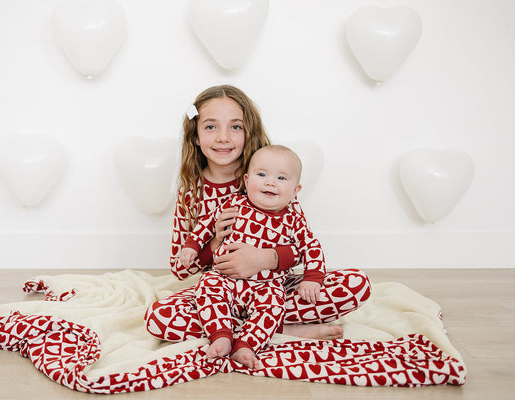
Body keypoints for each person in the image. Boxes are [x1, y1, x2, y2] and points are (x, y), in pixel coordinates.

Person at [144, 85, 371, 356]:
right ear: (195, 136)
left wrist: (265, 259)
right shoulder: (190, 192)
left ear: (248, 132)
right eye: (210, 127)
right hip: (219, 292)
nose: (223, 138)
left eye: (236, 127)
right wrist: (215, 242)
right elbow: (180, 270)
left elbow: (302, 246)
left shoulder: (268, 177)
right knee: (159, 317)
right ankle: (280, 330)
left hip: (271, 288)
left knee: (356, 284)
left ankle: (248, 327)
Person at [180, 145, 324, 369]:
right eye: (262, 174)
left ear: (296, 191)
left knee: (273, 305)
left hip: (266, 285)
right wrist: (191, 246)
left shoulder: (293, 219)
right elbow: (206, 225)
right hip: (224, 277)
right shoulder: (234, 204)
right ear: (247, 180)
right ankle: (221, 335)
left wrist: (312, 278)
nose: (270, 182)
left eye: (282, 178)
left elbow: (311, 246)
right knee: (207, 287)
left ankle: (246, 344)